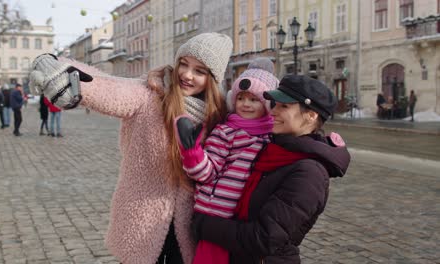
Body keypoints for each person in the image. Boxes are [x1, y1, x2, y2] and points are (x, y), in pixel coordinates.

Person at [29, 32, 233, 264]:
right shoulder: (149, 94)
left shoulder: (218, 115)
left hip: (189, 226)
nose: (186, 75)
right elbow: (108, 87)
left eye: (200, 71)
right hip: (142, 218)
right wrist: (59, 69)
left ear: (213, 78)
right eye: (183, 64)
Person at [192, 75, 351, 264]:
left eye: (284, 106)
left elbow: (264, 237)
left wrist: (202, 225)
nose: (273, 111)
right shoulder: (274, 149)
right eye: (275, 104)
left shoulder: (309, 173)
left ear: (311, 115)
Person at [174, 58, 278, 264]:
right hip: (216, 215)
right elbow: (206, 173)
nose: (246, 104)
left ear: (267, 103)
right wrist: (192, 152)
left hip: (247, 220)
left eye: (254, 100)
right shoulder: (226, 131)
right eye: (241, 98)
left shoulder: (273, 136)